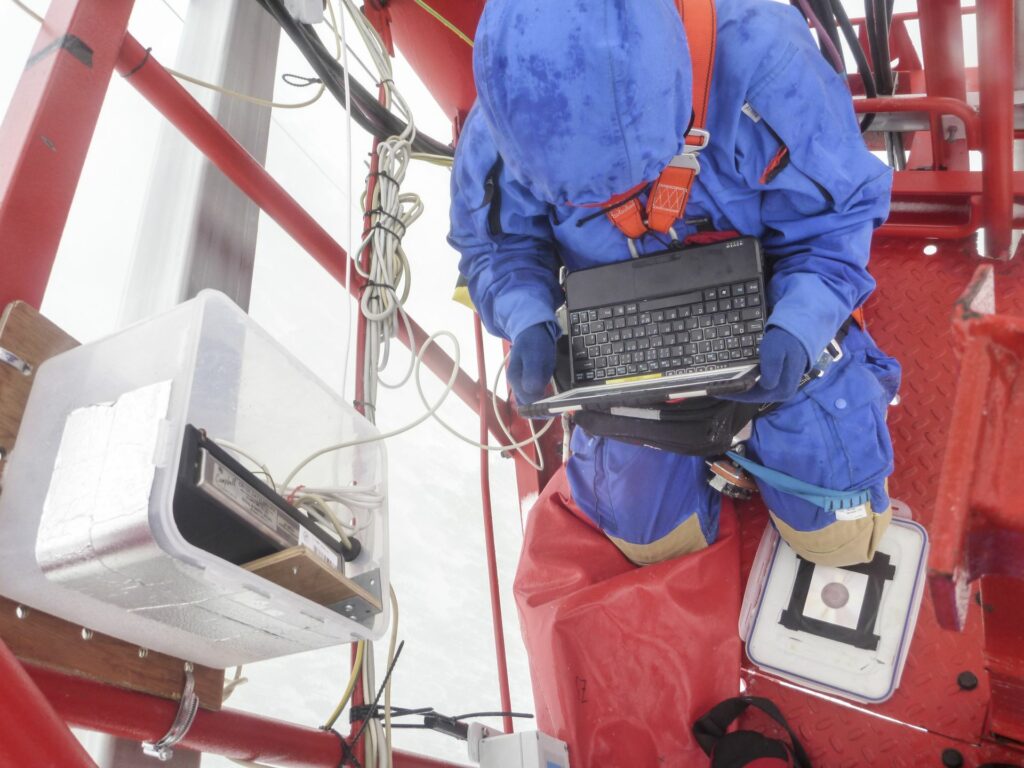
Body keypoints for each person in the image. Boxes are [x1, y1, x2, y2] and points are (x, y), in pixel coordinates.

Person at [449, 0, 901, 568]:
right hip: (623, 342)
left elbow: (836, 220)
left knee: (843, 538)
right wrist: (526, 316)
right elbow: (496, 245)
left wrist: (799, 325)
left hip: (770, 308)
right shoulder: (509, 106)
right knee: (652, 545)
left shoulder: (763, 57)